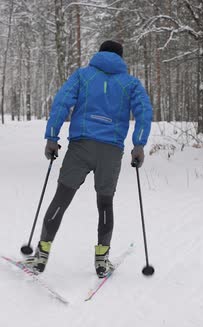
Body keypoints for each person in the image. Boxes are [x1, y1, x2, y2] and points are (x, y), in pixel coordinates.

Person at [23, 40, 153, 278]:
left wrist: (52, 137)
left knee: (61, 199)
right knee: (105, 204)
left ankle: (41, 255)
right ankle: (102, 261)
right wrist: (139, 144)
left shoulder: (83, 76)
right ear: (121, 58)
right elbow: (144, 111)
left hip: (80, 147)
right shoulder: (130, 83)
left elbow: (62, 102)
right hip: (111, 152)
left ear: (100, 53)